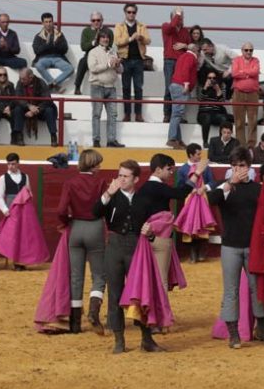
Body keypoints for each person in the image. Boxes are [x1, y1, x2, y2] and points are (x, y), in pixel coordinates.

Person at [206, 147, 264, 349]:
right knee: (231, 291)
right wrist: (230, 184)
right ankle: (233, 335)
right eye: (235, 166)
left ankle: (263, 330)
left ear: (249, 167)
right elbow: (210, 201)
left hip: (253, 247)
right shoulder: (224, 187)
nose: (238, 169)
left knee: (257, 289)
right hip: (230, 247)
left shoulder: (258, 189)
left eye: (242, 165)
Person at [92, 160, 142, 353]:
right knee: (115, 294)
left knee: (139, 293)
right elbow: (95, 212)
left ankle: (146, 337)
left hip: (136, 245)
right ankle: (119, 340)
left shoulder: (141, 197)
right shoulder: (111, 195)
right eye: (119, 175)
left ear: (135, 179)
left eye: (125, 176)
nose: (121, 179)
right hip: (114, 246)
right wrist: (107, 194)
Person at [56, 149, 107, 334]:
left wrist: (65, 223)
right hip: (95, 228)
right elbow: (106, 207)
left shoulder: (70, 182)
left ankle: (75, 324)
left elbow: (61, 209)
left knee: (76, 277)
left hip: (76, 228)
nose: (100, 167)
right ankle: (93, 311)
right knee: (99, 275)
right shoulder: (100, 182)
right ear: (93, 165)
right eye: (98, 164)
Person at [131, 154, 198, 292]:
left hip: (144, 238)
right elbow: (180, 193)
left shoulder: (143, 189)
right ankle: (160, 311)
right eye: (169, 169)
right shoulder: (158, 187)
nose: (171, 173)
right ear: (158, 170)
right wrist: (196, 174)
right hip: (160, 239)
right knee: (161, 280)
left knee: (147, 278)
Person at [177, 143, 214, 262]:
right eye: (198, 154)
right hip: (190, 200)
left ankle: (201, 251)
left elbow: (212, 182)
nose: (200, 156)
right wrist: (190, 189)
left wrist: (204, 188)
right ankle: (193, 252)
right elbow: (180, 186)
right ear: (191, 155)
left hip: (202, 198)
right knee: (191, 225)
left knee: (202, 224)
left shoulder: (205, 167)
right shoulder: (183, 169)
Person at [115, 3, 151, 122]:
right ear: (125, 13)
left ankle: (138, 114)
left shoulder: (141, 26)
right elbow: (117, 41)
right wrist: (130, 39)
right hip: (125, 60)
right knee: (126, 88)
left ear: (136, 13)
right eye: (129, 12)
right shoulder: (119, 26)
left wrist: (140, 38)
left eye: (133, 12)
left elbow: (148, 40)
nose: (131, 14)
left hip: (138, 60)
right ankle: (127, 114)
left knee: (138, 88)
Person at [88, 31, 125, 148]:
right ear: (98, 39)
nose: (105, 39)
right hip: (97, 86)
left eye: (107, 37)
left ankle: (111, 140)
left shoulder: (113, 52)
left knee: (113, 115)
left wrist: (118, 64)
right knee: (97, 114)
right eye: (103, 37)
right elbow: (93, 68)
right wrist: (108, 64)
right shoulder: (93, 52)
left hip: (111, 87)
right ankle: (96, 140)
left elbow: (121, 71)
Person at [0, 152, 30, 270]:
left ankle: (21, 261)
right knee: (14, 236)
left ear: (18, 163)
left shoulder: (25, 177)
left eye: (13, 164)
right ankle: (16, 261)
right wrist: (5, 210)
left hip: (24, 210)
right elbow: (0, 197)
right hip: (11, 210)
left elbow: (28, 194)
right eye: (9, 164)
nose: (11, 166)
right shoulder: (3, 178)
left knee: (23, 236)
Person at [13, 68, 59, 147]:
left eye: (23, 79)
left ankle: (53, 136)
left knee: (49, 110)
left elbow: (47, 100)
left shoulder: (41, 82)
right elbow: (18, 98)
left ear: (31, 77)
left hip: (40, 110)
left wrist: (34, 110)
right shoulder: (20, 83)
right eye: (20, 78)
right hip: (26, 109)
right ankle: (19, 136)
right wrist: (29, 106)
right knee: (17, 109)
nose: (21, 81)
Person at [161, 7, 191, 123]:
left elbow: (191, 46)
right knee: (169, 88)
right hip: (169, 61)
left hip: (181, 62)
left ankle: (179, 115)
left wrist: (185, 45)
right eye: (179, 15)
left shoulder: (185, 31)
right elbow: (171, 26)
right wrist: (177, 15)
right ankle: (167, 114)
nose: (181, 18)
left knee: (181, 90)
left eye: (182, 15)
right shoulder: (166, 26)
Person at [32, 12, 73, 94]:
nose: (48, 24)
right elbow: (36, 50)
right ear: (42, 23)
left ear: (53, 22)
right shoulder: (38, 36)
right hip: (44, 58)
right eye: (46, 22)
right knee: (38, 65)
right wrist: (47, 45)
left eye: (50, 21)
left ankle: (53, 84)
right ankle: (54, 85)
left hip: (58, 58)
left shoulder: (59, 35)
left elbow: (65, 49)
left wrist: (54, 45)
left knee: (70, 69)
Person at [167, 43, 199, 150]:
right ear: (195, 50)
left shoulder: (182, 56)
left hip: (175, 84)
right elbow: (186, 69)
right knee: (177, 114)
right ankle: (172, 138)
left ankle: (178, 140)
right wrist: (186, 84)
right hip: (181, 86)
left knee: (177, 113)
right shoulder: (191, 57)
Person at [74, 12, 113, 95]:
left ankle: (109, 89)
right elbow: (83, 47)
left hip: (104, 55)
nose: (96, 22)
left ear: (102, 20)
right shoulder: (86, 31)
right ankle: (77, 86)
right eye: (93, 20)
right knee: (82, 62)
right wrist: (93, 42)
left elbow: (109, 45)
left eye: (98, 20)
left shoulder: (108, 31)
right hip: (90, 56)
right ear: (91, 21)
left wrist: (99, 43)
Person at [232, 42, 260, 147]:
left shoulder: (256, 60)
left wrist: (242, 72)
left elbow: (255, 71)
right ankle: (241, 145)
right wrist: (248, 73)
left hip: (253, 93)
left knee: (253, 121)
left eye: (251, 50)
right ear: (242, 50)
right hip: (238, 93)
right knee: (239, 121)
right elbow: (234, 73)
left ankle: (251, 146)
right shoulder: (236, 60)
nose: (249, 52)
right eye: (246, 50)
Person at [197, 70, 232, 149]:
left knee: (223, 118)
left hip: (216, 113)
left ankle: (221, 142)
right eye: (209, 78)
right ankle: (205, 142)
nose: (212, 80)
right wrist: (205, 87)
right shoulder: (202, 86)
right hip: (204, 113)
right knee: (207, 117)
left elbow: (222, 102)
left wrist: (218, 90)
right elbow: (199, 98)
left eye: (214, 78)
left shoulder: (221, 87)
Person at [0, 13, 27, 78]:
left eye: (7, 22)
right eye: (3, 22)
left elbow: (17, 50)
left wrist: (7, 47)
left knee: (23, 62)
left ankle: (23, 82)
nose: (5, 24)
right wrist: (1, 46)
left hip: (10, 58)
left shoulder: (13, 33)